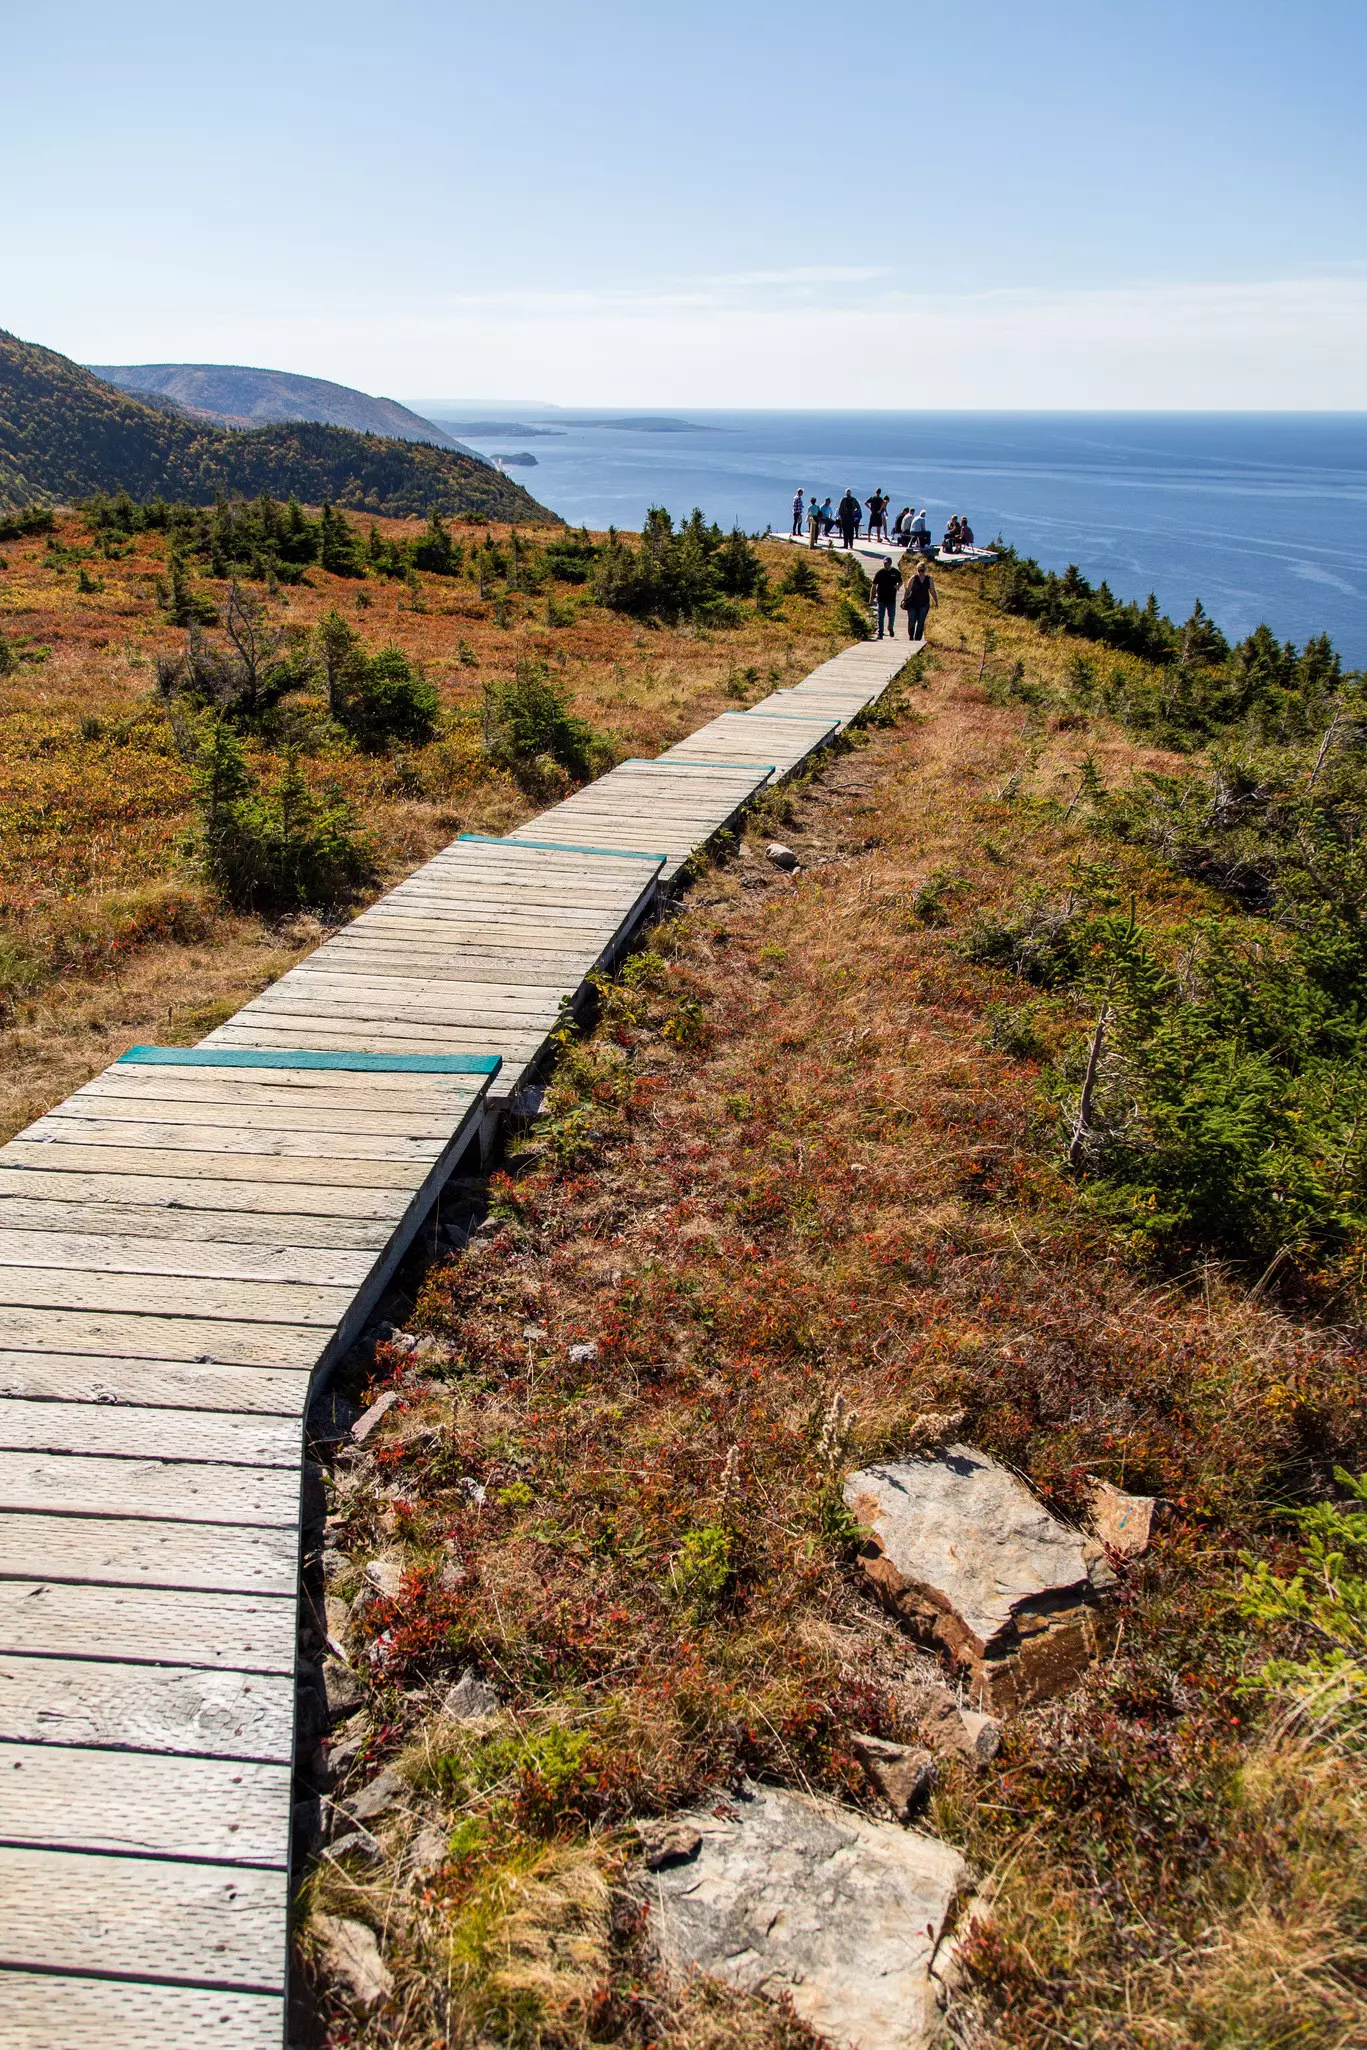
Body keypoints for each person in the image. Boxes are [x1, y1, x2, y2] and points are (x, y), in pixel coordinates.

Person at [903, 560, 938, 641]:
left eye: (922, 570)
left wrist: (936, 601)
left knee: (921, 622)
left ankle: (917, 639)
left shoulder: (929, 579)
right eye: (919, 570)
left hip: (924, 604)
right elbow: (908, 590)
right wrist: (904, 600)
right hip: (913, 603)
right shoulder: (913, 578)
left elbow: (932, 590)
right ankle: (911, 636)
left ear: (925, 570)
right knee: (911, 621)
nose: (920, 572)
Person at [871, 555, 901, 640]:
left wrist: (898, 586)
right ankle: (880, 633)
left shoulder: (895, 572)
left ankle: (890, 627)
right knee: (880, 616)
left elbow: (900, 581)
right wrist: (871, 597)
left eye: (888, 564)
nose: (886, 565)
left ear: (891, 563)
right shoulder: (880, 573)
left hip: (891, 598)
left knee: (891, 616)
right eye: (885, 564)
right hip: (881, 598)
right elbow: (874, 585)